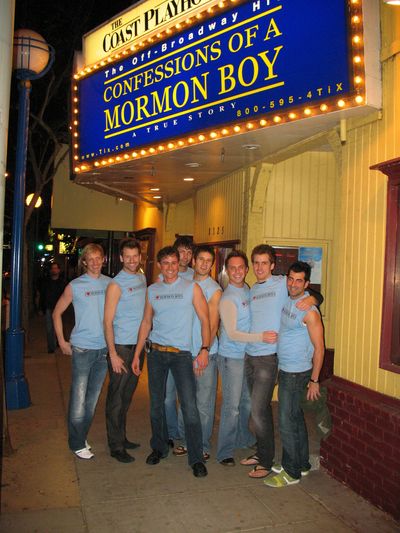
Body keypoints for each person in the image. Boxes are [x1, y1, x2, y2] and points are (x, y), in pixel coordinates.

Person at [241, 244, 323, 478]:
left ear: (273, 266)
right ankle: (284, 458)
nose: (259, 267)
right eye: (255, 262)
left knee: (269, 414)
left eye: (264, 262)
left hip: (277, 361)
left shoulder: (282, 286)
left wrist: (314, 298)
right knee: (271, 413)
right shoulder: (254, 289)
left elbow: (310, 296)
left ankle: (278, 465)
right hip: (256, 356)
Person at [132, 246, 210, 478]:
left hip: (181, 355)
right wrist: (137, 354)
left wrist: (205, 348)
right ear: (159, 265)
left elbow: (205, 319)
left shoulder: (191, 288)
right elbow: (146, 322)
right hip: (156, 353)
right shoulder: (152, 290)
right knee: (157, 405)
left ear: (179, 264)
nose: (169, 267)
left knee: (189, 407)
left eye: (173, 263)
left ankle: (196, 457)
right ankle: (159, 447)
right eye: (165, 263)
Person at [265, 261, 324, 488]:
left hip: (297, 373)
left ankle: (291, 472)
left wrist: (314, 380)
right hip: (287, 368)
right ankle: (302, 464)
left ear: (306, 284)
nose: (293, 284)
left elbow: (319, 348)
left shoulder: (309, 311)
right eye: (291, 278)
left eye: (299, 280)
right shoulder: (289, 299)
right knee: (296, 419)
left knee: (286, 422)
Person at [216, 250, 275, 467]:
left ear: (246, 270)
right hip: (232, 357)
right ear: (227, 271)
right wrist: (261, 337)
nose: (237, 271)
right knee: (231, 406)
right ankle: (224, 451)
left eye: (241, 267)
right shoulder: (228, 298)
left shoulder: (247, 290)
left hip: (247, 355)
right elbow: (232, 333)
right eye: (232, 268)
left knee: (246, 402)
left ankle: (244, 438)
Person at [53, 243, 111, 460]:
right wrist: (61, 341)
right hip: (83, 348)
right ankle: (77, 442)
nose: (95, 262)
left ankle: (79, 436)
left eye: (99, 258)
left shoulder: (110, 284)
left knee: (92, 399)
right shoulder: (75, 285)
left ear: (104, 259)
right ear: (84, 262)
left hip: (104, 349)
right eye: (91, 259)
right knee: (78, 397)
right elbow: (57, 313)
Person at [173, 245, 222, 460]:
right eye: (200, 259)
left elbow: (212, 325)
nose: (203, 263)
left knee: (203, 403)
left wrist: (204, 350)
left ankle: (201, 445)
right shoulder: (184, 285)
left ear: (212, 265)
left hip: (204, 354)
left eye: (208, 261)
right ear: (193, 261)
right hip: (183, 352)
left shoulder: (214, 289)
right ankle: (185, 440)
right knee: (185, 400)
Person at [104, 238, 146, 463]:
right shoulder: (115, 285)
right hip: (121, 348)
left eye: (135, 256)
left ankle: (122, 436)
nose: (131, 260)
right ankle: (115, 445)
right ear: (120, 258)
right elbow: (107, 321)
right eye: (127, 256)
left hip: (138, 347)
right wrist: (112, 354)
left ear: (140, 257)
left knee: (127, 396)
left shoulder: (141, 277)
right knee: (116, 398)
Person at [163, 235, 194, 447]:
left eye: (189, 252)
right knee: (167, 397)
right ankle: (171, 433)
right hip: (167, 346)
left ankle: (184, 434)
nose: (185, 256)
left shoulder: (196, 277)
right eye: (181, 251)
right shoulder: (162, 278)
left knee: (186, 395)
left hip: (189, 345)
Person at [38, 262, 66, 353]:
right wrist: (41, 308)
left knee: (59, 326)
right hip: (49, 307)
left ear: (59, 270)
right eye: (53, 268)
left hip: (59, 308)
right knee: (50, 328)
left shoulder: (62, 282)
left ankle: (59, 341)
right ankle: (51, 347)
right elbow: (42, 295)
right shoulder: (46, 282)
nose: (54, 270)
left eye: (56, 268)